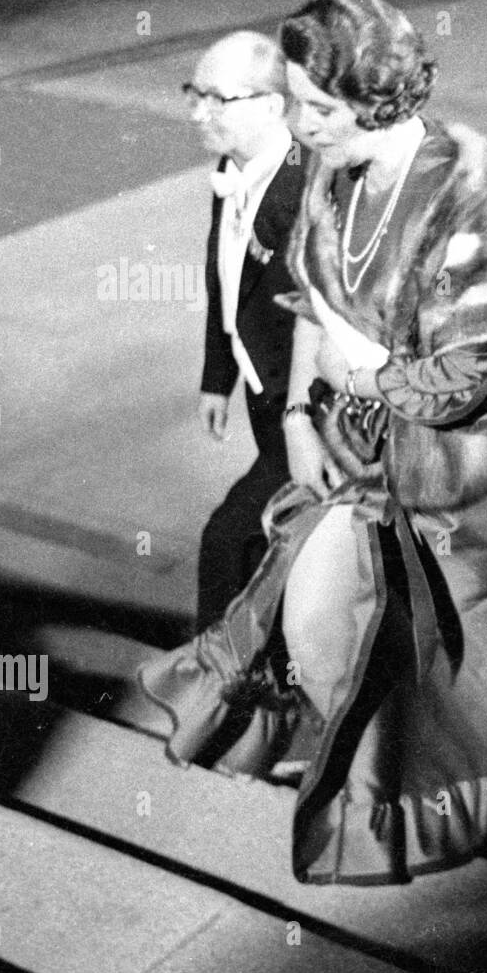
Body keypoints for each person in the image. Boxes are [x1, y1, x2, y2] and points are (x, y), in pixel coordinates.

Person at [144, 0, 487, 883]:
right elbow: (311, 301)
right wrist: (293, 412)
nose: (301, 124)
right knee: (322, 631)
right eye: (294, 102)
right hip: (355, 455)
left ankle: (475, 819)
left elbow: (459, 380)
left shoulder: (466, 182)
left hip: (463, 475)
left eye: (319, 107)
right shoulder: (330, 165)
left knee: (475, 680)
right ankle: (381, 791)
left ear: (380, 98)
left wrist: (356, 374)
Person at [190, 32, 305, 639]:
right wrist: (218, 378)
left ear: (271, 105)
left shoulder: (303, 189)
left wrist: (299, 416)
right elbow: (225, 281)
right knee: (274, 535)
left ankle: (213, 679)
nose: (198, 112)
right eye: (195, 94)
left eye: (217, 98)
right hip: (263, 391)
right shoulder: (230, 169)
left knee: (228, 537)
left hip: (306, 408)